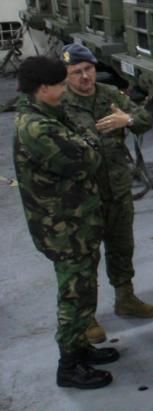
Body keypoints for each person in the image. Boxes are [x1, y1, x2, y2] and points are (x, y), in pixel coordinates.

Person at [13, 55, 119, 390]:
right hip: (63, 228)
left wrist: (85, 142)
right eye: (60, 84)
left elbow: (83, 147)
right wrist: (89, 142)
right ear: (44, 89)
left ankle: (79, 347)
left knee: (84, 289)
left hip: (76, 223)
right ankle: (69, 366)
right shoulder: (37, 127)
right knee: (74, 295)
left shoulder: (48, 115)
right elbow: (85, 159)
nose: (65, 89)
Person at [60, 43, 153, 345]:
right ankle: (86, 315)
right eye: (76, 72)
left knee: (121, 245)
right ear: (65, 76)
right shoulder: (60, 103)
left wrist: (125, 120)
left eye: (88, 69)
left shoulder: (110, 94)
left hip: (116, 188)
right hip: (83, 196)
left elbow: (145, 120)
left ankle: (125, 297)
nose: (85, 76)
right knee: (85, 256)